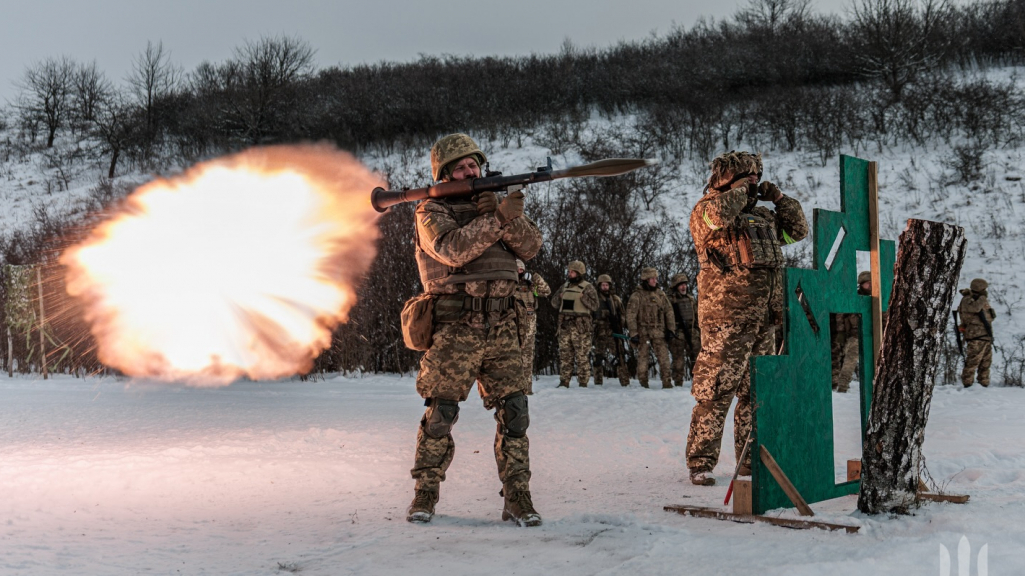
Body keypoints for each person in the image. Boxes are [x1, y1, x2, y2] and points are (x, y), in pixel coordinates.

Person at [406, 133, 543, 526]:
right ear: (445, 173)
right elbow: (452, 249)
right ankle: (424, 495)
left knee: (515, 413)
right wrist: (496, 218)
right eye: (462, 167)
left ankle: (518, 499)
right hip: (455, 327)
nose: (471, 171)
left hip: (502, 325)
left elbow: (531, 247)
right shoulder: (431, 210)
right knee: (441, 414)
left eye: (474, 165)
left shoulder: (496, 205)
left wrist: (507, 214)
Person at [686, 151, 808, 486]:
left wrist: (779, 198)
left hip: (763, 321)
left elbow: (797, 230)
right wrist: (738, 190)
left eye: (756, 175)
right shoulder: (707, 212)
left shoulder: (762, 218)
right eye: (746, 175)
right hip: (728, 318)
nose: (754, 181)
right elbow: (717, 216)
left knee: (757, 394)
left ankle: (751, 460)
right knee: (715, 390)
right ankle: (701, 463)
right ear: (726, 180)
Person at [551, 260, 599, 387]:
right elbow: (554, 303)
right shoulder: (564, 286)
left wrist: (584, 298)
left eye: (572, 272)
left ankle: (583, 383)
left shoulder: (588, 287)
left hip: (581, 328)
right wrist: (559, 297)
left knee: (582, 356)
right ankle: (564, 381)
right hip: (565, 326)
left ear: (579, 273)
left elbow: (595, 306)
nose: (569, 274)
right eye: (569, 271)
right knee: (565, 356)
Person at [625, 267, 675, 389]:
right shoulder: (637, 295)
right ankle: (643, 384)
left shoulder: (660, 294)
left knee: (664, 359)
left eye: (656, 278)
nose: (655, 281)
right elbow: (630, 315)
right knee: (642, 359)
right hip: (643, 333)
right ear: (646, 279)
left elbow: (669, 312)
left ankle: (667, 383)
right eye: (652, 278)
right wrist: (633, 333)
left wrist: (671, 329)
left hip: (659, 332)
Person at [512, 259, 551, 395]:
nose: (519, 272)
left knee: (527, 360)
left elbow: (545, 291)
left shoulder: (530, 285)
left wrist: (535, 279)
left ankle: (527, 389)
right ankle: (513, 391)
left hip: (529, 327)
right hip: (513, 328)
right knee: (512, 360)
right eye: (516, 269)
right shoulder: (508, 284)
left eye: (521, 270)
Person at [830, 271, 871, 393]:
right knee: (850, 361)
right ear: (861, 284)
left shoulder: (878, 298)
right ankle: (842, 387)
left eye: (871, 283)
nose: (870, 287)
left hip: (872, 334)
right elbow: (840, 315)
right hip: (855, 335)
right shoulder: (853, 298)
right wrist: (841, 332)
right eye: (867, 284)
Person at [592, 274, 631, 386]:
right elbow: (590, 315)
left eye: (606, 285)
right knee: (597, 358)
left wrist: (619, 324)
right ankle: (598, 382)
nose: (605, 287)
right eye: (603, 285)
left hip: (614, 333)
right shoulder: (595, 300)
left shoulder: (615, 299)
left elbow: (623, 314)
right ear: (599, 286)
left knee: (620, 357)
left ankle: (625, 382)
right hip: (599, 333)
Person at [958, 278, 996, 388]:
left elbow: (989, 317)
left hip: (985, 336)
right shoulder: (968, 299)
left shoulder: (980, 300)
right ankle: (968, 384)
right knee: (973, 361)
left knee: (986, 362)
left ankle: (983, 384)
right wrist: (983, 298)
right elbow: (975, 309)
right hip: (975, 336)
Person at [668, 273, 701, 387]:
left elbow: (697, 315)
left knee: (697, 358)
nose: (683, 287)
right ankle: (678, 383)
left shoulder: (691, 299)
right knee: (678, 360)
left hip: (692, 331)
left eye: (685, 284)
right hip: (679, 333)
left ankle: (698, 382)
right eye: (681, 285)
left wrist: (698, 329)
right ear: (676, 286)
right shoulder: (671, 301)